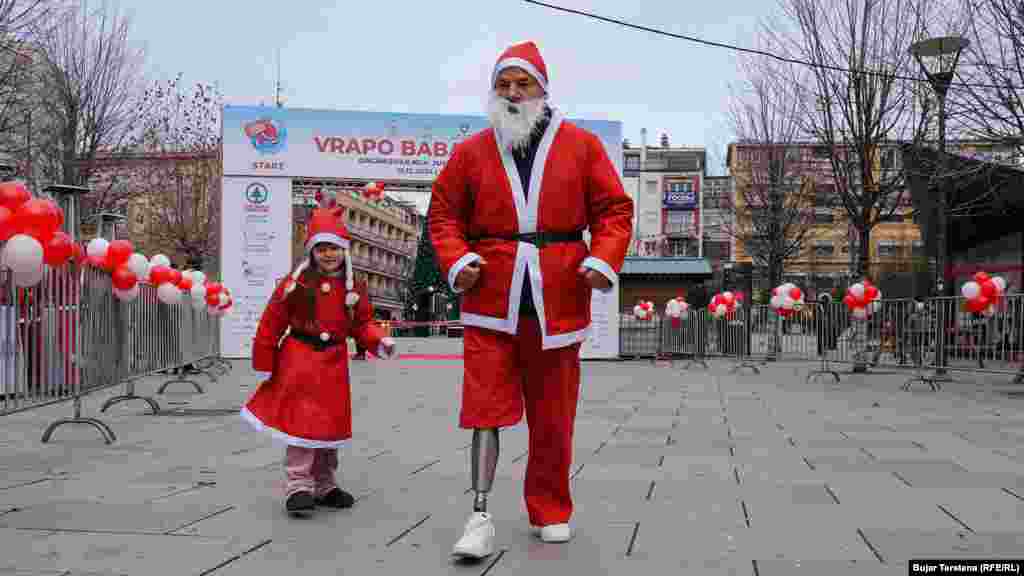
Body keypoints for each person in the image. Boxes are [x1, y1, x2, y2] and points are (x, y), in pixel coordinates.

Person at [428, 41, 634, 558]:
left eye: (524, 83)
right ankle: (479, 514)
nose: (514, 93)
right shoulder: (471, 151)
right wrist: (457, 261)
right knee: (484, 411)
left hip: (557, 298)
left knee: (553, 417)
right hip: (489, 298)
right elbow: (445, 215)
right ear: (494, 91)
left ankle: (550, 508)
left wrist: (602, 260)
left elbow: (613, 209)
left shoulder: (582, 146)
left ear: (543, 89)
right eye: (505, 84)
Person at [240, 206, 396, 516]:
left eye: (335, 248)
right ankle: (298, 485)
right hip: (299, 360)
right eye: (323, 248)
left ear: (344, 251)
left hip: (334, 364)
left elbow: (362, 323)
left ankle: (325, 483)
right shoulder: (296, 282)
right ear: (313, 250)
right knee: (301, 425)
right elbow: (273, 319)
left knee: (330, 425)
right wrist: (265, 355)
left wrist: (379, 340)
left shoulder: (354, 288)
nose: (329, 254)